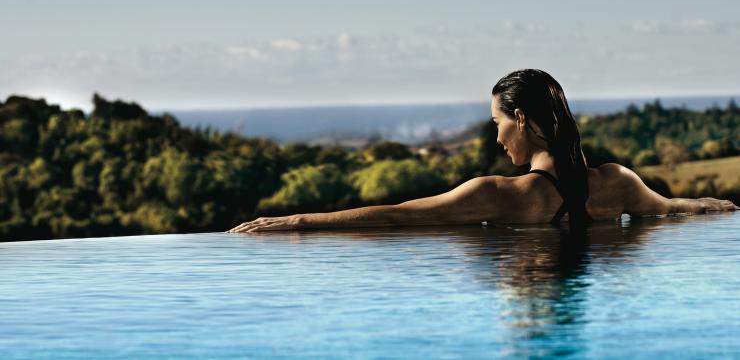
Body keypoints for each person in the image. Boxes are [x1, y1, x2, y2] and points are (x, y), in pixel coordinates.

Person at [228, 69, 738, 234]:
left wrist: (300, 222)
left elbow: (397, 215)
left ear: (521, 120)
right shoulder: (618, 182)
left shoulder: (502, 195)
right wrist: (718, 207)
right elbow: (676, 209)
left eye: (498, 123)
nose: (497, 138)